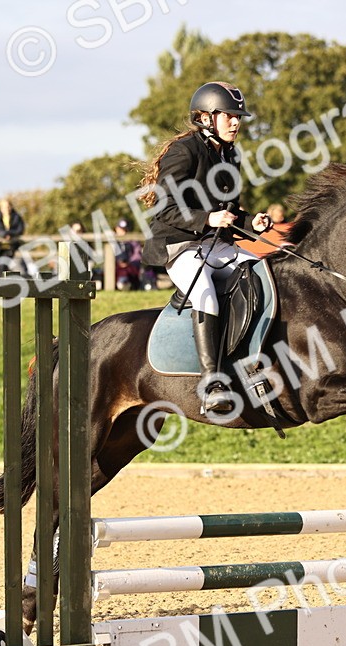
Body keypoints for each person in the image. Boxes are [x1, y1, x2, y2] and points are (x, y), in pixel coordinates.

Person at [139, 80, 274, 413]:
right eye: (229, 116)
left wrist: (251, 224)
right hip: (179, 245)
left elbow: (230, 211)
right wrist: (208, 218)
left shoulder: (230, 154)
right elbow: (165, 207)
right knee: (205, 295)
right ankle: (212, 384)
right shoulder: (184, 151)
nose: (236, 122)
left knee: (264, 274)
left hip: (215, 244)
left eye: (237, 117)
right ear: (205, 117)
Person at [0, 199, 26, 275]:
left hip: (14, 247)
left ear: (11, 207)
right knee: (1, 268)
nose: (6, 209)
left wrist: (10, 234)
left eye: (8, 206)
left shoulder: (17, 217)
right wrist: (4, 234)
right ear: (1, 208)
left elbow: (20, 229)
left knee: (19, 268)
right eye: (4, 207)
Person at [112, 219, 142, 290]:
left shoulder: (132, 241)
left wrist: (128, 263)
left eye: (124, 229)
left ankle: (126, 284)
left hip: (130, 266)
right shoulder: (112, 242)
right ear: (116, 229)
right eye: (121, 229)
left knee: (129, 270)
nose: (123, 232)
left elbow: (137, 256)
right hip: (116, 266)